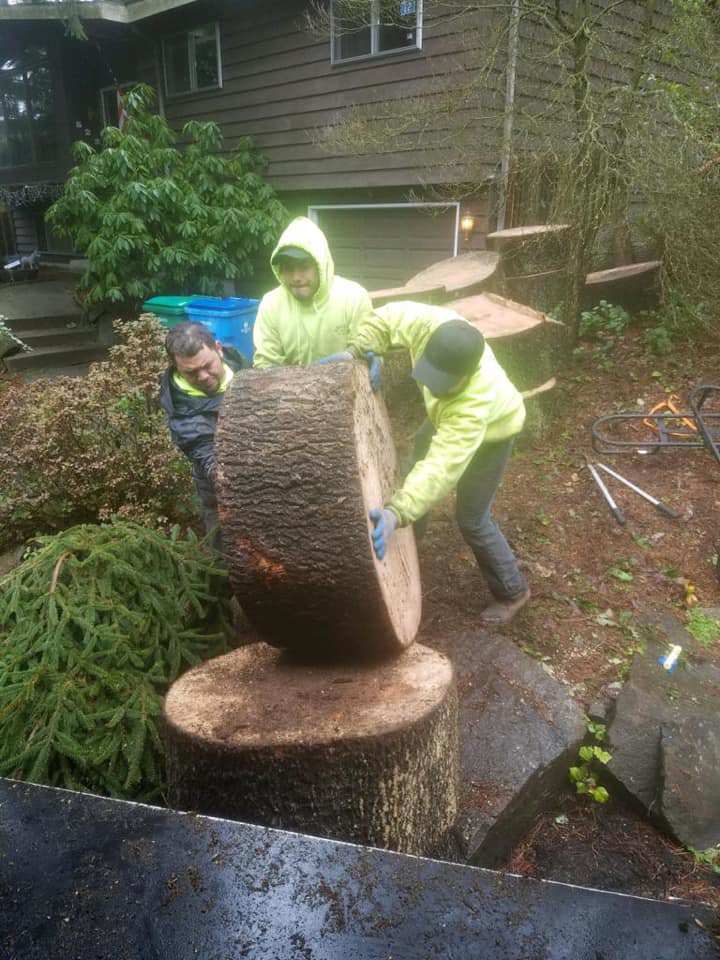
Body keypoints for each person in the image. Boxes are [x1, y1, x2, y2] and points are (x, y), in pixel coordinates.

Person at [319, 302, 530, 625]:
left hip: (494, 432)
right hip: (443, 417)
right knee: (417, 453)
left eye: (442, 382)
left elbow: (441, 467)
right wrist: (360, 349)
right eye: (430, 375)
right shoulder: (431, 324)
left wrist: (398, 509)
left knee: (472, 517)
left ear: (466, 376)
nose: (431, 386)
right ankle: (409, 540)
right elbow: (385, 319)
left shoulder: (473, 404)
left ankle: (512, 591)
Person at [160, 321, 249, 545]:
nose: (203, 376)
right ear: (175, 366)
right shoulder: (182, 412)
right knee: (227, 554)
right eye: (191, 372)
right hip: (221, 495)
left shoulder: (244, 367)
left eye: (208, 365)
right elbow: (212, 461)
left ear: (218, 348)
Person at [253, 216, 375, 368]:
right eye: (288, 268)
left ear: (320, 265)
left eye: (304, 266)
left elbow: (365, 347)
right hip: (289, 390)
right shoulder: (271, 304)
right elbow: (266, 363)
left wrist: (359, 353)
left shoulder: (354, 298)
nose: (296, 277)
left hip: (346, 388)